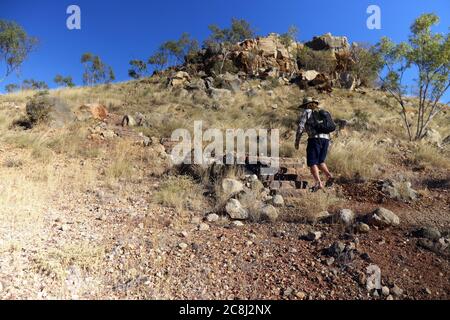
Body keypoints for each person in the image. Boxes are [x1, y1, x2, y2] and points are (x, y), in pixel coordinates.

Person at [295, 97, 334, 191]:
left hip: (315, 139)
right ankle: (329, 175)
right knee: (320, 161)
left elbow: (301, 126)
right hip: (326, 139)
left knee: (312, 162)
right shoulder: (323, 112)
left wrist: (297, 141)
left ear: (305, 105)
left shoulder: (307, 112)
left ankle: (318, 183)